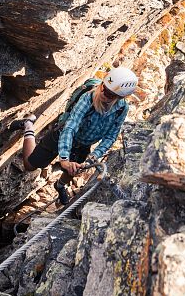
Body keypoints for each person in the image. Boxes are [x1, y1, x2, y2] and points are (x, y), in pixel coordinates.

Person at [10, 67, 138, 204]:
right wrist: (64, 158)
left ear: (120, 97)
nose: (103, 93)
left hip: (83, 145)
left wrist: (93, 157)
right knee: (30, 165)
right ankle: (28, 124)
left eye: (110, 94)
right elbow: (70, 127)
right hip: (62, 134)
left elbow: (111, 136)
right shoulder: (88, 98)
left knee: (73, 171)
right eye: (103, 87)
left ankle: (59, 186)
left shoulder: (122, 108)